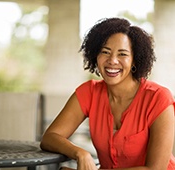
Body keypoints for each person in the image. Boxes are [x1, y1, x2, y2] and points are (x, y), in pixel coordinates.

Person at [40, 17, 175, 170]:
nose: (112, 61)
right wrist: (80, 153)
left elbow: (155, 169)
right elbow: (50, 137)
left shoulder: (158, 98)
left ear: (134, 61)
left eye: (122, 54)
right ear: (95, 56)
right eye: (105, 52)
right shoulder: (89, 92)